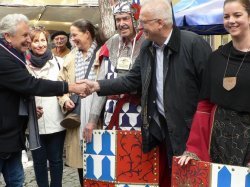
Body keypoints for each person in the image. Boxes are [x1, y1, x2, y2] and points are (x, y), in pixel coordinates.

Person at [81, 0, 212, 186]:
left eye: (143, 22)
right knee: (168, 178)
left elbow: (208, 92)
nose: (139, 26)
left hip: (191, 131)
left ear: (160, 23)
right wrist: (96, 85)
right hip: (163, 129)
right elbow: (131, 80)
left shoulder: (193, 44)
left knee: (191, 179)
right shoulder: (147, 47)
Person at [0, 13, 88, 186]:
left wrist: (30, 107)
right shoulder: (5, 58)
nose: (29, 40)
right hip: (6, 137)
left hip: (17, 136)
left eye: (29, 35)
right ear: (8, 36)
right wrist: (69, 87)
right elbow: (32, 85)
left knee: (19, 179)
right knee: (29, 171)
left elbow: (17, 91)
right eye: (25, 36)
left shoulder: (15, 55)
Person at [178, 0, 250, 168]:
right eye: (226, 16)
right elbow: (204, 107)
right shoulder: (215, 58)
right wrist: (194, 149)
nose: (231, 20)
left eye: (237, 15)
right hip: (217, 141)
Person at [83, 0, 144, 141]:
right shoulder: (111, 43)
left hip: (139, 114)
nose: (121, 23)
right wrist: (92, 120)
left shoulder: (147, 42)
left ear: (135, 18)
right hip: (111, 115)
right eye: (118, 19)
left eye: (125, 18)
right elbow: (101, 83)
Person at [57, 19, 106, 186]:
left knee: (101, 159)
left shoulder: (103, 52)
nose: (72, 39)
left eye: (75, 35)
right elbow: (60, 84)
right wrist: (65, 100)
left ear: (87, 33)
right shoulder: (70, 57)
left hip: (99, 113)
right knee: (81, 162)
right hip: (77, 114)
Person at [25, 26, 66, 187]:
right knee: (39, 162)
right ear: (29, 44)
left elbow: (66, 88)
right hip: (33, 124)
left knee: (56, 160)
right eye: (36, 41)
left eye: (43, 40)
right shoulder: (22, 65)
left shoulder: (59, 63)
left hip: (56, 121)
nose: (40, 44)